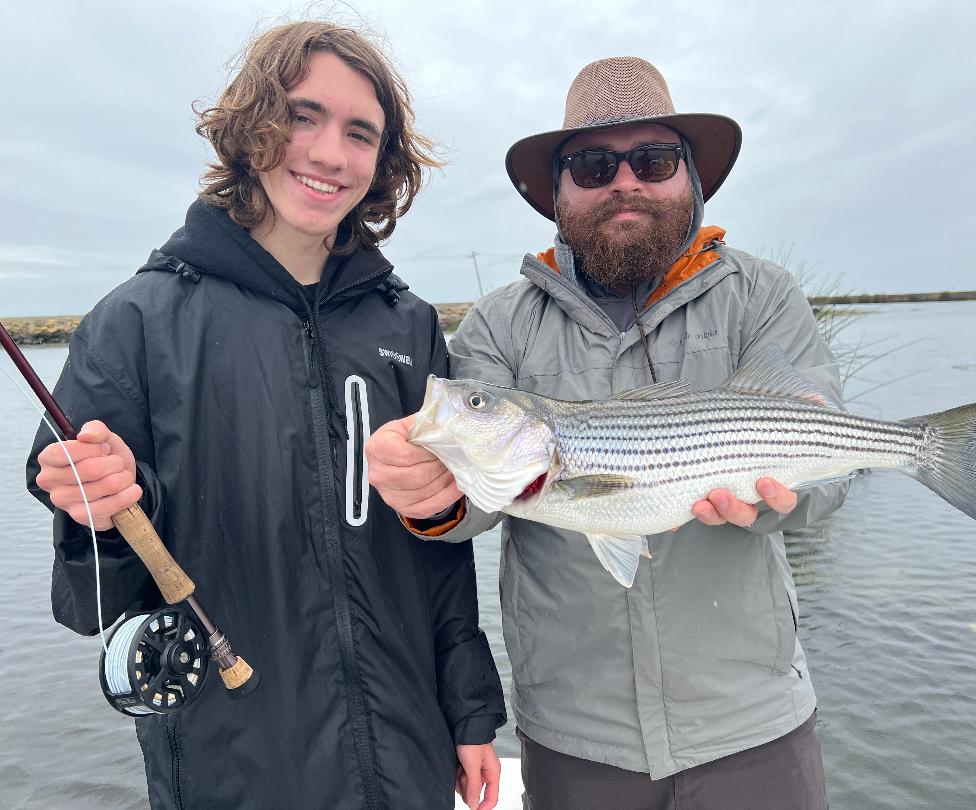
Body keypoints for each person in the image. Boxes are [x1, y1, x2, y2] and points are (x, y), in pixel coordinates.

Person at [27, 21, 504, 810]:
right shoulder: (134, 324)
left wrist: (473, 710)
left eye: (361, 133)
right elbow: (87, 604)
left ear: (380, 163)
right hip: (233, 771)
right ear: (252, 124)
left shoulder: (409, 326)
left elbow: (440, 554)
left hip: (408, 760)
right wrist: (101, 509)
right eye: (304, 116)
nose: (329, 153)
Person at [366, 57, 850, 809]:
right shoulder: (499, 324)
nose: (625, 182)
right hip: (573, 733)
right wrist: (429, 496)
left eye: (653, 160)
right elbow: (480, 504)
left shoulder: (761, 295)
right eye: (592, 166)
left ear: (689, 176)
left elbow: (830, 479)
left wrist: (783, 497)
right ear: (556, 193)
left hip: (751, 724)